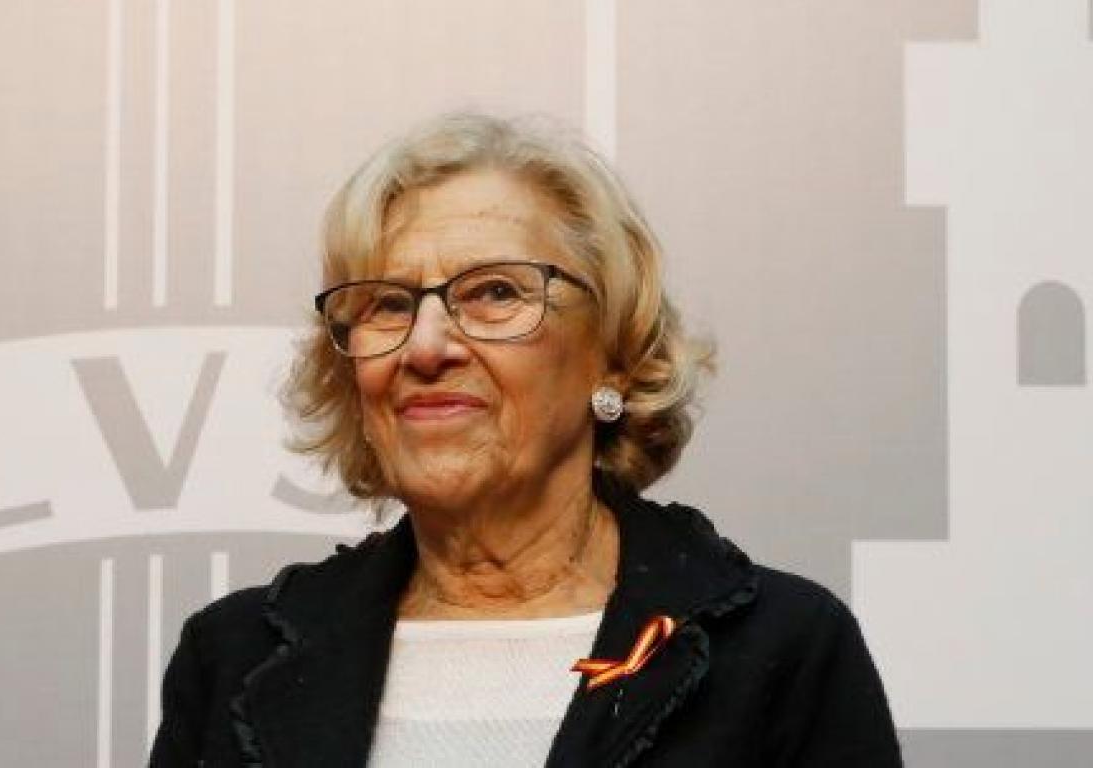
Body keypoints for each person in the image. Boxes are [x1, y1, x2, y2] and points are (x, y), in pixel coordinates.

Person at [149, 112, 902, 767]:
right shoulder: (232, 657)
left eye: (495, 292)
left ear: (613, 351)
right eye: (386, 305)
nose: (426, 347)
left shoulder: (782, 652)